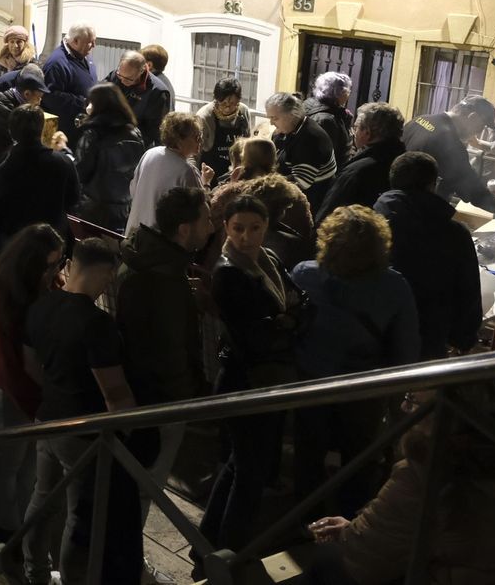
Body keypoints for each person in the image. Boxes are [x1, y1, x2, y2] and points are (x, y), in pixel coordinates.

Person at [308, 379, 495, 585]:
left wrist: (347, 534)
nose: (403, 407)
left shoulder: (431, 470)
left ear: (447, 415)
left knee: (326, 561)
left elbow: (366, 560)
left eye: (413, 401)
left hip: (455, 575)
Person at [19, 238, 144, 585]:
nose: (109, 284)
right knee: (81, 514)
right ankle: (74, 580)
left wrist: (56, 388)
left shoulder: (40, 306)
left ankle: (36, 572)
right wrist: (129, 430)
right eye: (109, 277)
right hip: (83, 430)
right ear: (103, 272)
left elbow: (30, 364)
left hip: (47, 418)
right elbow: (115, 392)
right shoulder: (96, 324)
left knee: (43, 500)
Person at [291, 205, 419, 518]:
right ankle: (349, 521)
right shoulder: (395, 286)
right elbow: (406, 347)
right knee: (360, 457)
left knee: (308, 452)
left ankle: (304, 519)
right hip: (362, 386)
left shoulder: (304, 274)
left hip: (310, 378)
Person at [198, 195, 307, 560]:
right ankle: (228, 554)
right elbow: (255, 336)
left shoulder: (268, 260)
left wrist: (286, 322)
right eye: (238, 228)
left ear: (266, 228)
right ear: (226, 228)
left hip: (265, 374)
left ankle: (208, 547)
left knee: (239, 467)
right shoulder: (229, 272)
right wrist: (289, 321)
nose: (246, 236)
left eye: (255, 228)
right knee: (249, 474)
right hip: (246, 379)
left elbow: (304, 306)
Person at [116, 187, 213, 507]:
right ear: (184, 229)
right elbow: (171, 351)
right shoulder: (164, 280)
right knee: (147, 482)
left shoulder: (150, 259)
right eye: (206, 220)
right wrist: (189, 396)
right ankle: (127, 555)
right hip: (162, 402)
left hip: (143, 393)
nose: (212, 227)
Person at [0, 224, 64, 536]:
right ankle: (5, 527)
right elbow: (20, 362)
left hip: (21, 387)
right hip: (15, 389)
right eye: (51, 265)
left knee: (26, 463)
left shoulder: (23, 286)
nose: (56, 270)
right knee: (12, 463)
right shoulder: (11, 298)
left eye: (59, 262)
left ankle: (21, 523)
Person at [374, 152, 484, 360]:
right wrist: (464, 339)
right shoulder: (455, 234)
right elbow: (468, 289)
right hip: (429, 336)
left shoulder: (373, 222)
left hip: (376, 330)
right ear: (433, 184)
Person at [0, 103, 81, 256]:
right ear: (41, 129)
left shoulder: (3, 171)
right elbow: (73, 200)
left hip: (13, 249)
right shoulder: (64, 163)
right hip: (53, 244)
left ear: (11, 132)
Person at [401, 95, 495, 210]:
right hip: (418, 210)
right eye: (482, 126)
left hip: (394, 200)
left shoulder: (419, 120)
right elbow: (470, 188)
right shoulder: (451, 144)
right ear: (473, 117)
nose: (479, 132)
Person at [313, 101, 406, 223]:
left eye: (356, 127)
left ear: (367, 132)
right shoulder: (404, 164)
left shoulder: (357, 171)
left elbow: (329, 213)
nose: (353, 133)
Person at [125, 112, 212, 233]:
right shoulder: (186, 171)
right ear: (179, 140)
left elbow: (132, 190)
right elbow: (202, 209)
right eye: (196, 137)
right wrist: (206, 182)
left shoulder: (150, 153)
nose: (200, 141)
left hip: (134, 232)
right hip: (160, 242)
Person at [75, 83, 146, 231]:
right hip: (123, 207)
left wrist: (65, 153)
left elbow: (81, 173)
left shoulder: (93, 134)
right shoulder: (135, 132)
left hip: (94, 208)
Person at [265, 91, 339, 211]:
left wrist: (264, 183)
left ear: (292, 114)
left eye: (275, 118)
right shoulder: (290, 130)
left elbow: (301, 182)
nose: (271, 123)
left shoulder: (309, 138)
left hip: (310, 201)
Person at [42, 23, 98, 144]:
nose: (94, 45)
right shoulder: (56, 63)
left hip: (82, 127)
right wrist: (83, 103)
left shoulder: (84, 55)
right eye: (90, 42)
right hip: (65, 133)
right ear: (76, 41)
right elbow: (50, 97)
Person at [106, 50, 174, 146]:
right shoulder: (116, 75)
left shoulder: (157, 92)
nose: (122, 81)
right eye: (120, 75)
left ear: (142, 71)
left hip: (134, 146)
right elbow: (100, 92)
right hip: (110, 139)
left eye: (129, 79)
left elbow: (155, 131)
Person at [196, 77, 251, 181]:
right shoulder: (204, 117)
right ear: (216, 100)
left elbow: (248, 143)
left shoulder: (243, 111)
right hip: (210, 174)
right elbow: (194, 154)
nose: (227, 108)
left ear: (239, 100)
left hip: (236, 173)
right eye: (223, 104)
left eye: (232, 104)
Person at [304, 71, 354, 171]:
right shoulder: (326, 120)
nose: (349, 94)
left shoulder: (311, 104)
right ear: (339, 93)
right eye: (347, 90)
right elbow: (330, 154)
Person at [0, 24, 34, 89]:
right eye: (12, 42)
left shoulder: (30, 63)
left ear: (25, 44)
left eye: (19, 42)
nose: (15, 45)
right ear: (8, 43)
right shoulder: (0, 62)